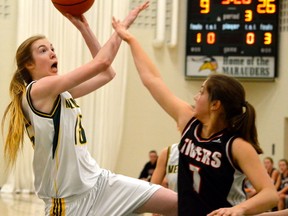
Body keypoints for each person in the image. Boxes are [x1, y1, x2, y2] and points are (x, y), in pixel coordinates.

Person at [1, 2, 178, 216]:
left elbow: (107, 73)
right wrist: (124, 28)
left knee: (179, 203)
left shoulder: (60, 93)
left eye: (52, 49)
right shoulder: (38, 90)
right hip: (69, 203)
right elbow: (102, 62)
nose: (52, 53)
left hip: (101, 183)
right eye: (43, 50)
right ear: (29, 65)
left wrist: (84, 27)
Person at [111, 18, 279, 215]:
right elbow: (153, 80)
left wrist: (240, 209)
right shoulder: (188, 122)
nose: (195, 97)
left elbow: (270, 194)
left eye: (201, 92)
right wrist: (130, 39)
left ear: (215, 105)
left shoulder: (236, 146)